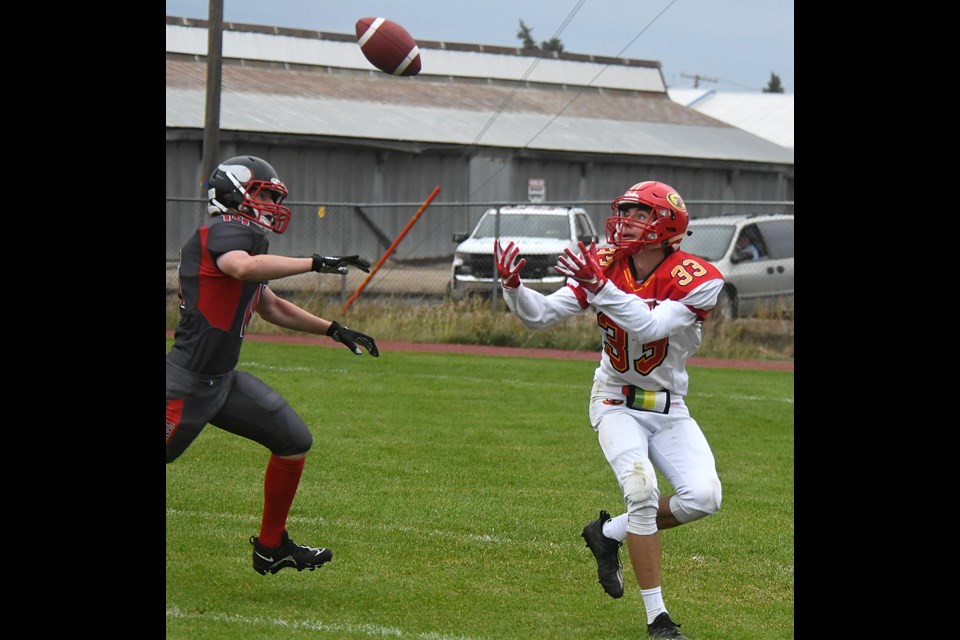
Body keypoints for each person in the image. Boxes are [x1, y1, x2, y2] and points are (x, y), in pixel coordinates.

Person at [494, 181, 724, 639]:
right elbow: (539, 315)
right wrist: (514, 287)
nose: (626, 222)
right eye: (626, 212)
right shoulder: (606, 265)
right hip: (615, 400)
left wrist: (601, 289)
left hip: (669, 406)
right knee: (641, 493)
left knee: (704, 498)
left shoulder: (697, 277)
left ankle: (608, 533)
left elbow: (652, 326)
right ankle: (657, 618)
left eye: (639, 214)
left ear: (666, 225)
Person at [166, 155, 380, 576]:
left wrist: (333, 329)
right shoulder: (224, 233)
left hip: (221, 383)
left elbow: (269, 305)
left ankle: (271, 546)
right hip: (184, 385)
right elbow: (241, 267)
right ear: (232, 192)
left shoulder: (242, 237)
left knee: (293, 440)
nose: (268, 202)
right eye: (263, 193)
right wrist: (315, 263)